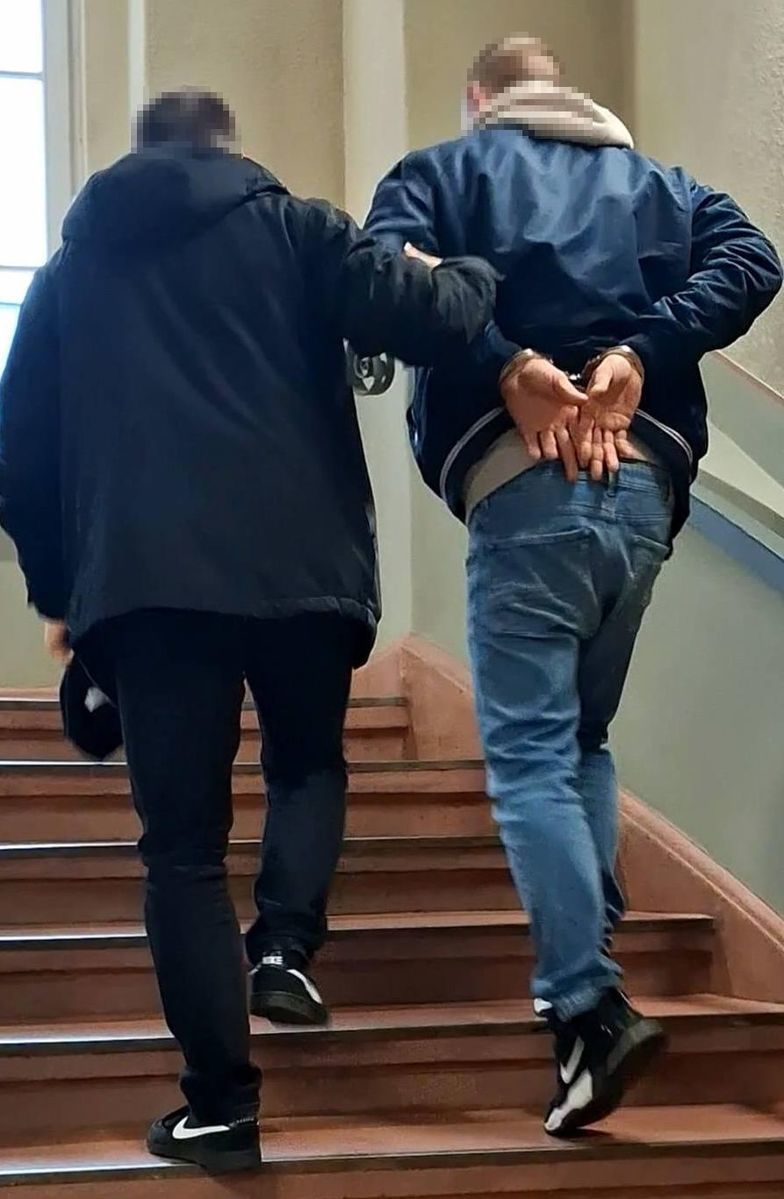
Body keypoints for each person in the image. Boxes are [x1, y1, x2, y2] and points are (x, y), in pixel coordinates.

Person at [0, 89, 498, 1173]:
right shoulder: (297, 227)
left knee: (181, 850)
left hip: (150, 589)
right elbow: (431, 316)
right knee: (306, 763)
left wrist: (58, 591)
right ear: (232, 150)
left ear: (139, 155)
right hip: (303, 574)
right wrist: (468, 270)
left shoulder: (73, 269)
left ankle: (222, 1106)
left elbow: (18, 448)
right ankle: (283, 946)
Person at [365, 34, 782, 1137]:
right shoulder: (663, 189)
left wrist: (504, 361)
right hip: (642, 491)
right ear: (564, 91)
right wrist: (641, 353)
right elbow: (755, 258)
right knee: (583, 739)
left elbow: (386, 273)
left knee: (531, 755)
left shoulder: (442, 172)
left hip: (525, 487)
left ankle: (587, 1008)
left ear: (479, 99)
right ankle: (584, 923)